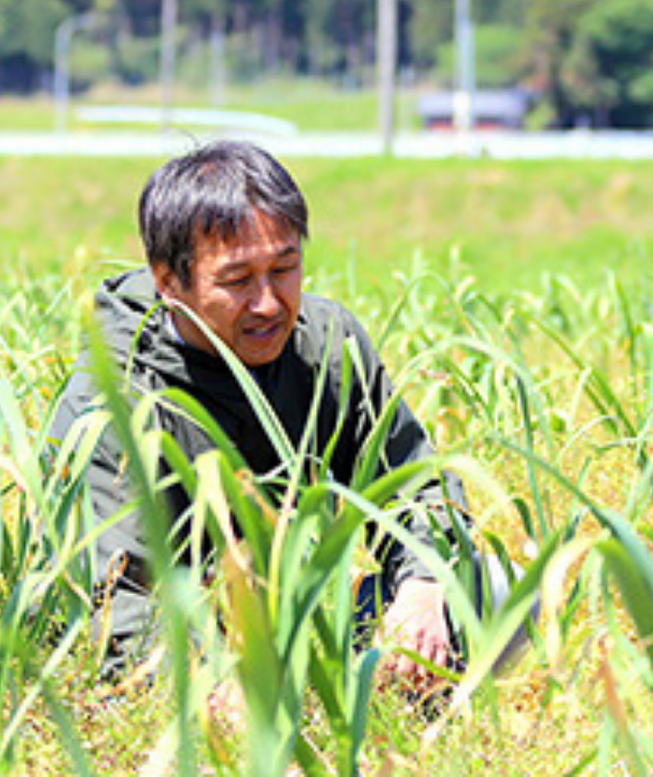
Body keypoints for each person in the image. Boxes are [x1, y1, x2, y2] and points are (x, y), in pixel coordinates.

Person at [49, 140, 470, 687]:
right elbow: (115, 597)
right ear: (169, 281)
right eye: (237, 280)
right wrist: (212, 691)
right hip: (181, 637)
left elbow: (415, 484)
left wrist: (422, 587)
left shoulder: (327, 344)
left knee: (489, 595)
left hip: (291, 618)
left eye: (284, 268)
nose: (268, 303)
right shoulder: (115, 396)